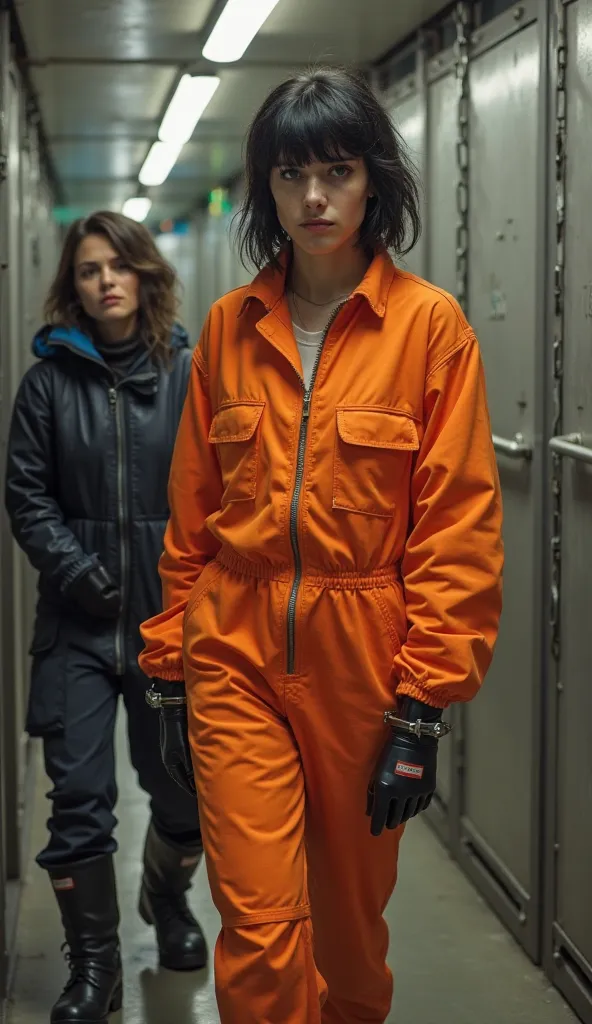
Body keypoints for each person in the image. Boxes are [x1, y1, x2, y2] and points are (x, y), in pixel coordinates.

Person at [139, 67, 504, 1024]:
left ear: (372, 181)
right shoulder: (225, 331)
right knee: (258, 926)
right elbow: (191, 517)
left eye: (336, 171)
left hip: (365, 657)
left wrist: (423, 705)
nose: (313, 198)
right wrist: (168, 666)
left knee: (348, 933)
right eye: (292, 174)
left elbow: (456, 526)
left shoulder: (431, 331)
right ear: (265, 187)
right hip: (234, 648)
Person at [5, 211, 208, 1024]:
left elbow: (226, 492)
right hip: (78, 628)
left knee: (186, 797)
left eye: (118, 266)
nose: (106, 282)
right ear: (74, 287)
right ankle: (96, 968)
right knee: (80, 798)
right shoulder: (48, 383)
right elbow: (26, 494)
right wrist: (76, 569)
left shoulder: (191, 372)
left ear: (145, 273)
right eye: (89, 270)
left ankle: (166, 896)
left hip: (172, 629)